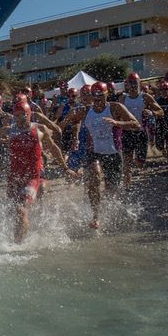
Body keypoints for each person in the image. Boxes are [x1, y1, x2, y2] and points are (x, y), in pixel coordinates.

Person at [0, 96, 69, 242]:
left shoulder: (39, 129)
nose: (19, 118)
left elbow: (53, 148)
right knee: (14, 211)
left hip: (32, 177)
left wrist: (65, 168)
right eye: (16, 116)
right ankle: (20, 235)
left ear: (29, 114)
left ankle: (18, 245)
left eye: (22, 115)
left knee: (20, 210)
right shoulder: (7, 131)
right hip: (14, 177)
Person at [64, 81, 141, 229]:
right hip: (94, 152)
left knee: (111, 190)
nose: (98, 98)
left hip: (113, 153)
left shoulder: (115, 107)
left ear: (107, 94)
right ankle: (96, 216)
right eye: (95, 95)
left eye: (101, 95)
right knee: (94, 178)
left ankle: (112, 210)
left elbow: (135, 124)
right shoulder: (85, 110)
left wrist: (116, 122)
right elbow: (66, 123)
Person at [118, 73, 162, 186]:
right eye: (131, 83)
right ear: (127, 85)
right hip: (127, 133)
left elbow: (161, 111)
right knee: (127, 163)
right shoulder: (123, 98)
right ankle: (127, 187)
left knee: (140, 162)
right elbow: (116, 114)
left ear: (139, 83)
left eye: (135, 83)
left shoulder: (145, 97)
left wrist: (152, 112)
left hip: (141, 133)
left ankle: (135, 172)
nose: (133, 85)